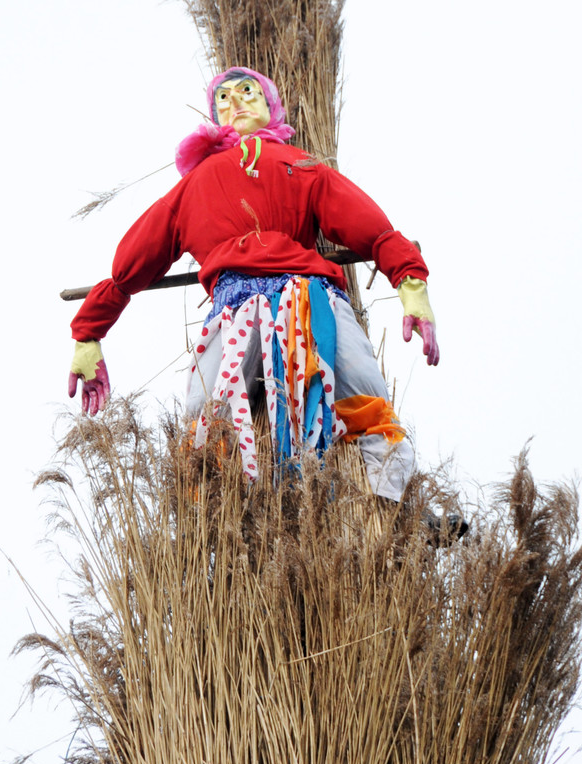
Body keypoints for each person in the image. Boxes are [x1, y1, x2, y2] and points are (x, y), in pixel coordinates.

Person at [68, 67, 440, 505]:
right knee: (206, 418)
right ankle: (213, 521)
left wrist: (411, 287)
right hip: (234, 307)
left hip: (310, 298)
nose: (237, 102)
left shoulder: (303, 167)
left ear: (270, 105)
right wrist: (88, 334)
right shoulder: (193, 187)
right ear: (214, 117)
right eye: (223, 98)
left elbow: (375, 232)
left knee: (365, 393)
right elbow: (129, 268)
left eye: (248, 91)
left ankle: (395, 507)